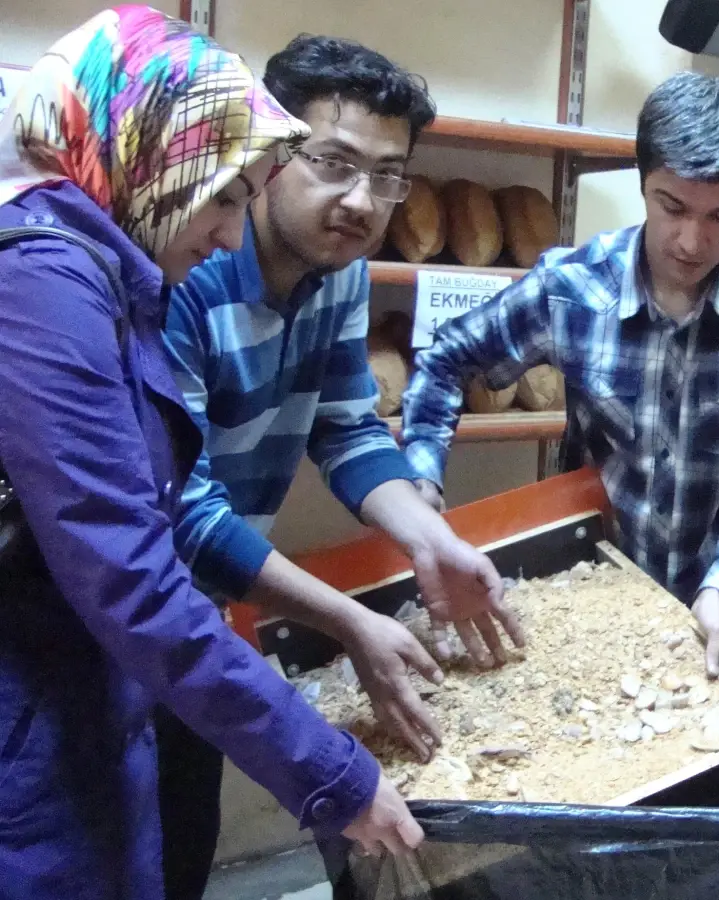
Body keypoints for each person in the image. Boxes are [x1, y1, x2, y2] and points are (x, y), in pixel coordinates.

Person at [0, 8, 422, 900]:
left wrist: (427, 536)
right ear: (151, 148)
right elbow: (136, 569)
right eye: (224, 192)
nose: (231, 229)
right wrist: (333, 773)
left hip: (106, 682)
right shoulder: (45, 283)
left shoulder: (105, 264)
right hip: (38, 717)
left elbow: (346, 427)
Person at [162, 33, 524, 899]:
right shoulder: (189, 271)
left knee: (180, 840)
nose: (362, 201)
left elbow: (349, 432)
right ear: (271, 153)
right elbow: (183, 507)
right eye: (333, 162)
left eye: (388, 175)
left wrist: (429, 541)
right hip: (122, 610)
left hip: (201, 618)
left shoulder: (339, 274)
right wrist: (348, 623)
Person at [402, 71, 719, 677]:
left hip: (707, 607)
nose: (691, 240)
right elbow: (445, 360)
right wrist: (420, 483)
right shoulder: (572, 288)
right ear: (643, 184)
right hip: (584, 595)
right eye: (672, 206)